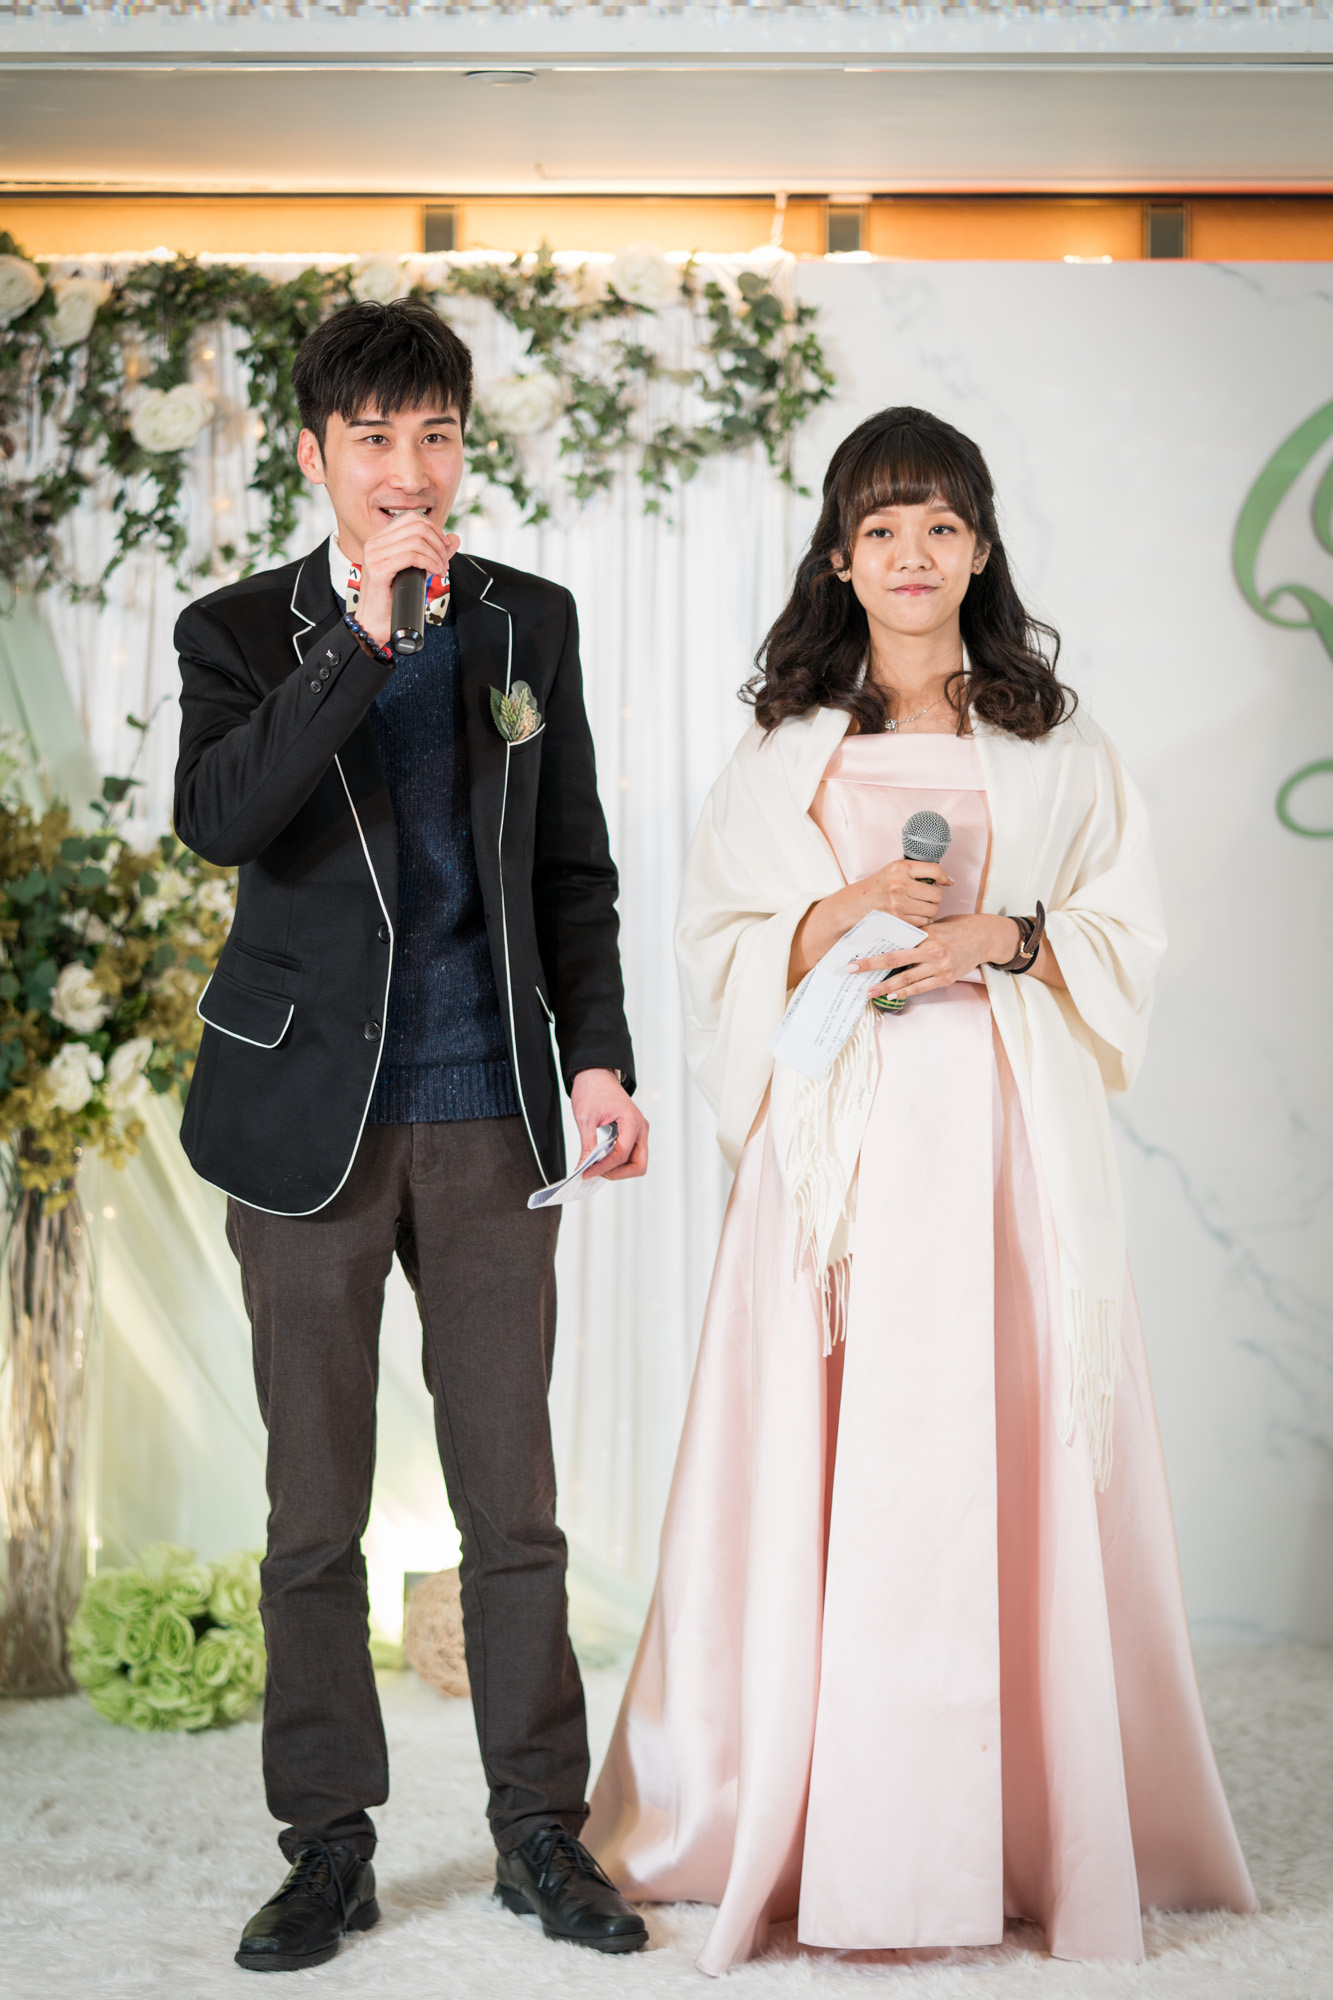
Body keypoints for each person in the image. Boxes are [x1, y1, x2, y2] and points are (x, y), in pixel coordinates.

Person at [586, 407, 1257, 1971]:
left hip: (1002, 1147)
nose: (909, 555)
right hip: (836, 1157)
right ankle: (811, 1819)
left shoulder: (1056, 746)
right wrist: (835, 913)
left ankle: (1025, 1824)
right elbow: (714, 942)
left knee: (991, 1466)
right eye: (880, 529)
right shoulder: (783, 748)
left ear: (979, 548)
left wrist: (996, 938)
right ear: (838, 557)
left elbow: (1124, 934)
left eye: (939, 526)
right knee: (840, 1467)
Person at [173, 298, 650, 1971]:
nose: (408, 468)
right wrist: (362, 644)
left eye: (433, 435)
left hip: (489, 1110)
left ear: (462, 446)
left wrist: (599, 1059)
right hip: (304, 1118)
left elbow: (571, 867)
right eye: (372, 437)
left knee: (511, 1504)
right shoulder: (239, 630)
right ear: (316, 455)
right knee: (313, 1512)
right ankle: (328, 1846)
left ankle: (539, 1834)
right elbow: (222, 816)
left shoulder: (531, 622)